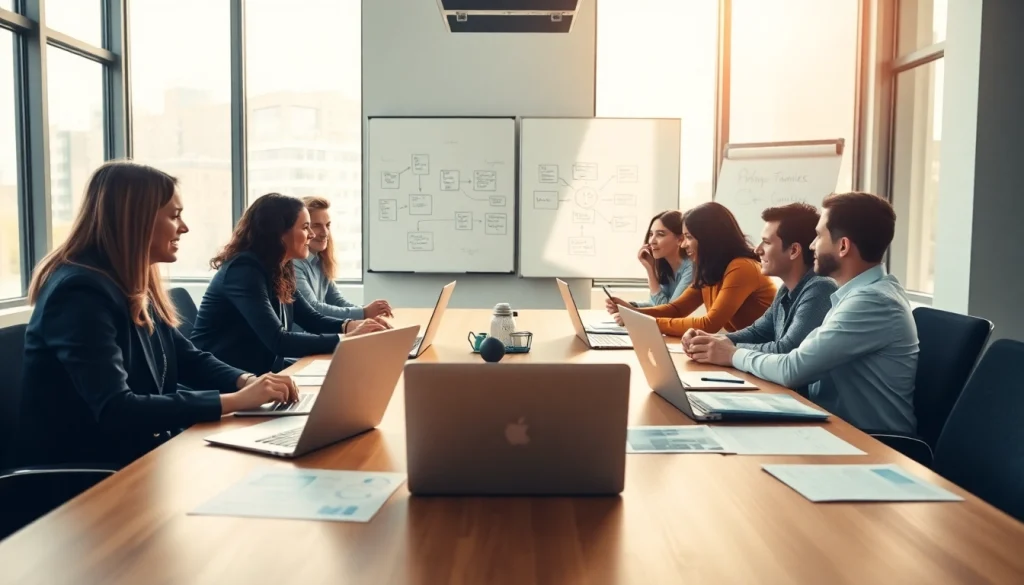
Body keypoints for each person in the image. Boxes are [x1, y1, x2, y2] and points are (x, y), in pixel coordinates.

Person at [17, 161, 300, 469]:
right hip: (90, 473)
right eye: (174, 215)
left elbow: (186, 356)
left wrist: (246, 381)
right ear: (136, 219)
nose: (184, 227)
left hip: (142, 454)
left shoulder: (130, 281)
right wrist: (234, 402)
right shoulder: (79, 293)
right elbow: (117, 408)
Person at [689, 192, 918, 434]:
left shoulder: (872, 302)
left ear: (843, 246)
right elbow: (769, 338)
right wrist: (717, 344)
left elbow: (793, 368)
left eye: (819, 236)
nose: (811, 245)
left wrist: (732, 354)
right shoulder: (855, 295)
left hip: (874, 441)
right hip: (833, 426)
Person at [190, 193, 386, 376]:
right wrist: (346, 339)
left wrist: (351, 326)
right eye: (305, 227)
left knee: (346, 373)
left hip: (260, 372)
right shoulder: (244, 271)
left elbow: (310, 318)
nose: (311, 234)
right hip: (225, 378)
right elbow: (279, 340)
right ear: (279, 233)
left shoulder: (280, 266)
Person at [682, 204, 837, 390]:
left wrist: (730, 352)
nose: (757, 249)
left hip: (802, 399)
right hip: (780, 390)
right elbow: (758, 332)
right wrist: (711, 340)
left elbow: (787, 350)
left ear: (794, 251)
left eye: (767, 242)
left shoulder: (820, 288)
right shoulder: (786, 289)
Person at [607, 201, 775, 336]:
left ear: (708, 238)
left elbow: (709, 324)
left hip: (767, 351)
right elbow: (677, 309)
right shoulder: (710, 269)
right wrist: (632, 312)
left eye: (688, 237)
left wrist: (642, 321)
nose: (683, 244)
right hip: (749, 348)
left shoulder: (742, 267)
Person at [293, 196, 393, 326]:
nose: (325, 233)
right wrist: (363, 313)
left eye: (327, 225)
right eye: (316, 225)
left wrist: (368, 317)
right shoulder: (294, 264)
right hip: (306, 337)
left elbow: (337, 301)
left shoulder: (320, 261)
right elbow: (313, 308)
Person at [605, 210, 693, 311]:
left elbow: (669, 311)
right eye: (651, 234)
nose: (651, 241)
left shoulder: (691, 268)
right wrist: (627, 306)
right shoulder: (666, 267)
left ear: (680, 239)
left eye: (660, 234)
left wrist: (650, 271)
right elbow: (655, 304)